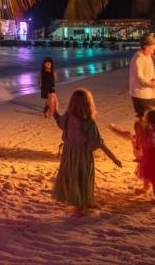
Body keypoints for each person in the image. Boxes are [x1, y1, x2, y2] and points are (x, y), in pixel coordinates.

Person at [51, 88, 122, 217]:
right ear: (88, 104)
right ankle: (79, 208)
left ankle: (86, 202)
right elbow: (98, 143)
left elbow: (59, 121)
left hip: (68, 154)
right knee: (83, 177)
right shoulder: (89, 122)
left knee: (73, 177)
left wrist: (54, 109)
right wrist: (114, 158)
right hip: (82, 155)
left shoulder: (67, 117)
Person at [129, 33, 155, 117]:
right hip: (141, 94)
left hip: (151, 93)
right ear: (145, 46)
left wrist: (154, 79)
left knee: (152, 118)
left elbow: (151, 72)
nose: (153, 51)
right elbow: (140, 76)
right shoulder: (138, 58)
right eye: (152, 49)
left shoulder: (148, 56)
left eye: (154, 49)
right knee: (144, 119)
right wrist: (149, 83)